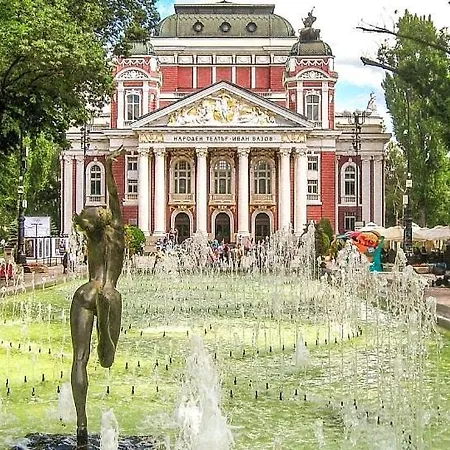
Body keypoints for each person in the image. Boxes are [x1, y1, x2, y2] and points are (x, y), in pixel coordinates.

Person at [70, 146, 125, 449]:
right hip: (109, 292)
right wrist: (108, 166)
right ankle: (106, 336)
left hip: (85, 291)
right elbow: (115, 197)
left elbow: (87, 217)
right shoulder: (116, 231)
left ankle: (81, 424)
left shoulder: (91, 236)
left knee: (79, 358)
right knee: (106, 359)